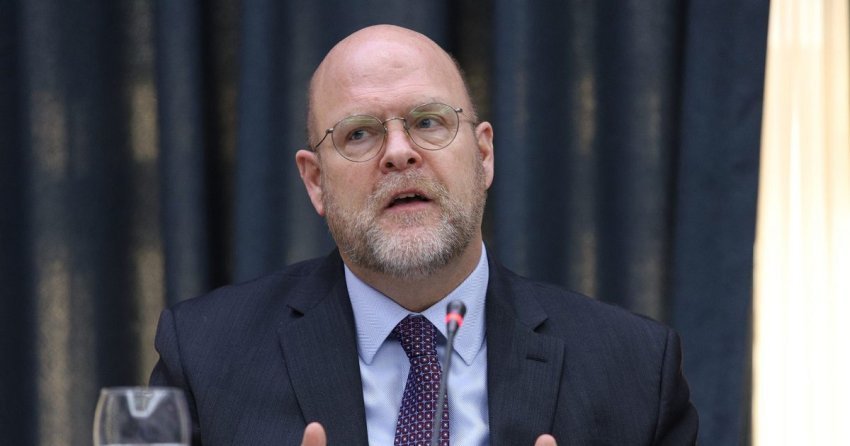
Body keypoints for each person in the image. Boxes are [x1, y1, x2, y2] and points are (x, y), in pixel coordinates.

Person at [150, 24, 698, 446]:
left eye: (429, 122)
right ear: (315, 182)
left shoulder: (634, 368)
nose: (398, 152)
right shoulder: (204, 356)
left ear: (483, 154)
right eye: (359, 134)